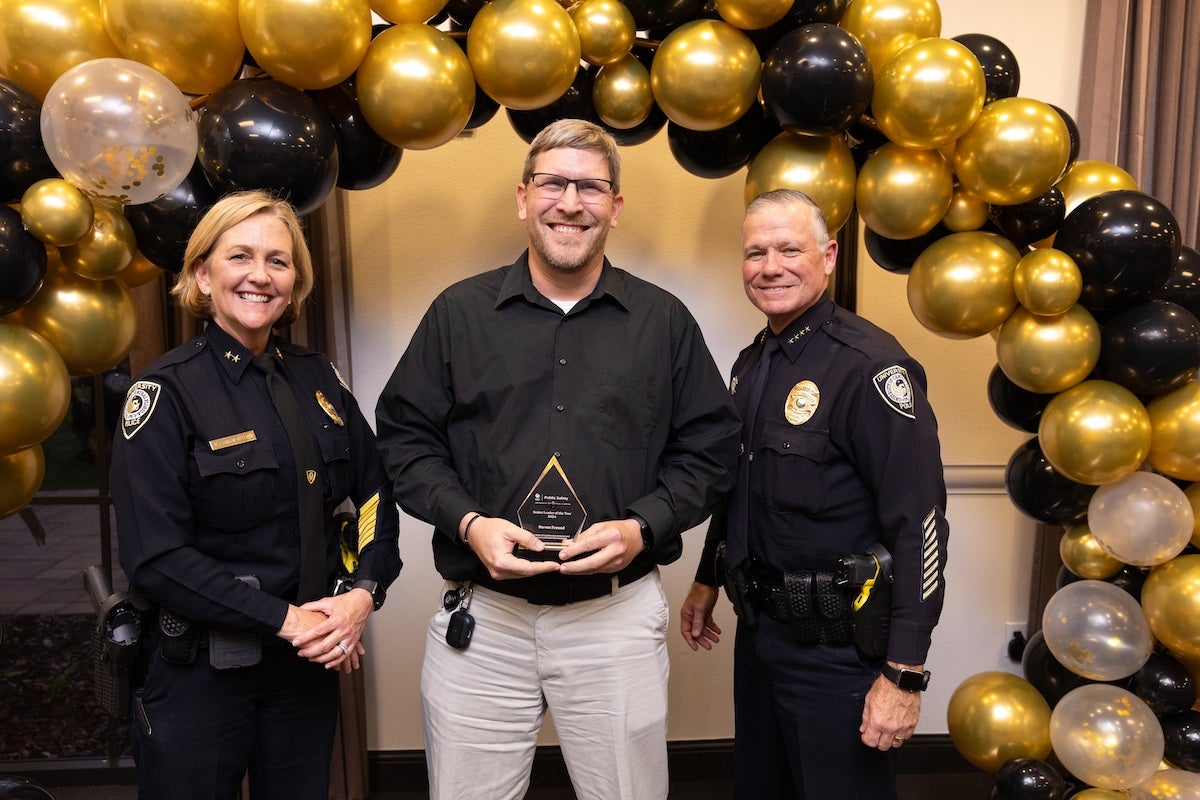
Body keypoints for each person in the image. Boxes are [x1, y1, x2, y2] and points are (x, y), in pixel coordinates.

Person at [375, 118, 741, 800]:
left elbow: (711, 451)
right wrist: (466, 523)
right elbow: (403, 437)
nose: (570, 202)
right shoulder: (458, 314)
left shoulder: (663, 323)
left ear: (616, 207)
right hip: (483, 622)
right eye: (553, 183)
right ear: (523, 197)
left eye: (590, 187)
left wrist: (644, 526)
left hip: (614, 619)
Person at [109, 190, 402, 800]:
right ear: (201, 273)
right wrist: (288, 620)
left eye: (279, 260)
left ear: (295, 280)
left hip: (303, 670)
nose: (260, 276)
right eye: (240, 256)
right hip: (200, 676)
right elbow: (156, 556)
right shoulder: (165, 392)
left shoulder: (317, 377)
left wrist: (358, 597)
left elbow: (374, 495)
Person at [679, 189, 950, 799]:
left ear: (828, 256)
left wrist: (904, 676)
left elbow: (921, 527)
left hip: (839, 655)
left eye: (788, 249)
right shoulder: (752, 365)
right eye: (755, 253)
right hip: (760, 639)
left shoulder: (870, 367)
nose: (770, 266)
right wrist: (707, 577)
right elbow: (738, 489)